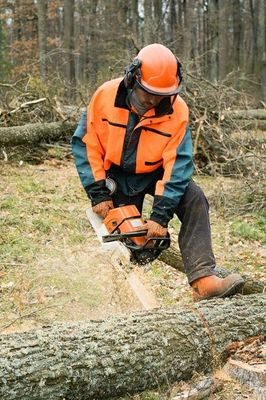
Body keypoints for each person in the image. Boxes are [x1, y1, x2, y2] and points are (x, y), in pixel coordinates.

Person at [72, 43, 244, 301]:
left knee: (194, 198)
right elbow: (86, 144)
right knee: (127, 246)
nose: (153, 101)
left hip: (155, 171)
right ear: (133, 79)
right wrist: (98, 192)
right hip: (115, 174)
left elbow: (178, 164)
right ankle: (118, 298)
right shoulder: (105, 96)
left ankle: (203, 280)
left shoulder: (177, 111)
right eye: (147, 94)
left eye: (160, 96)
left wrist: (161, 215)